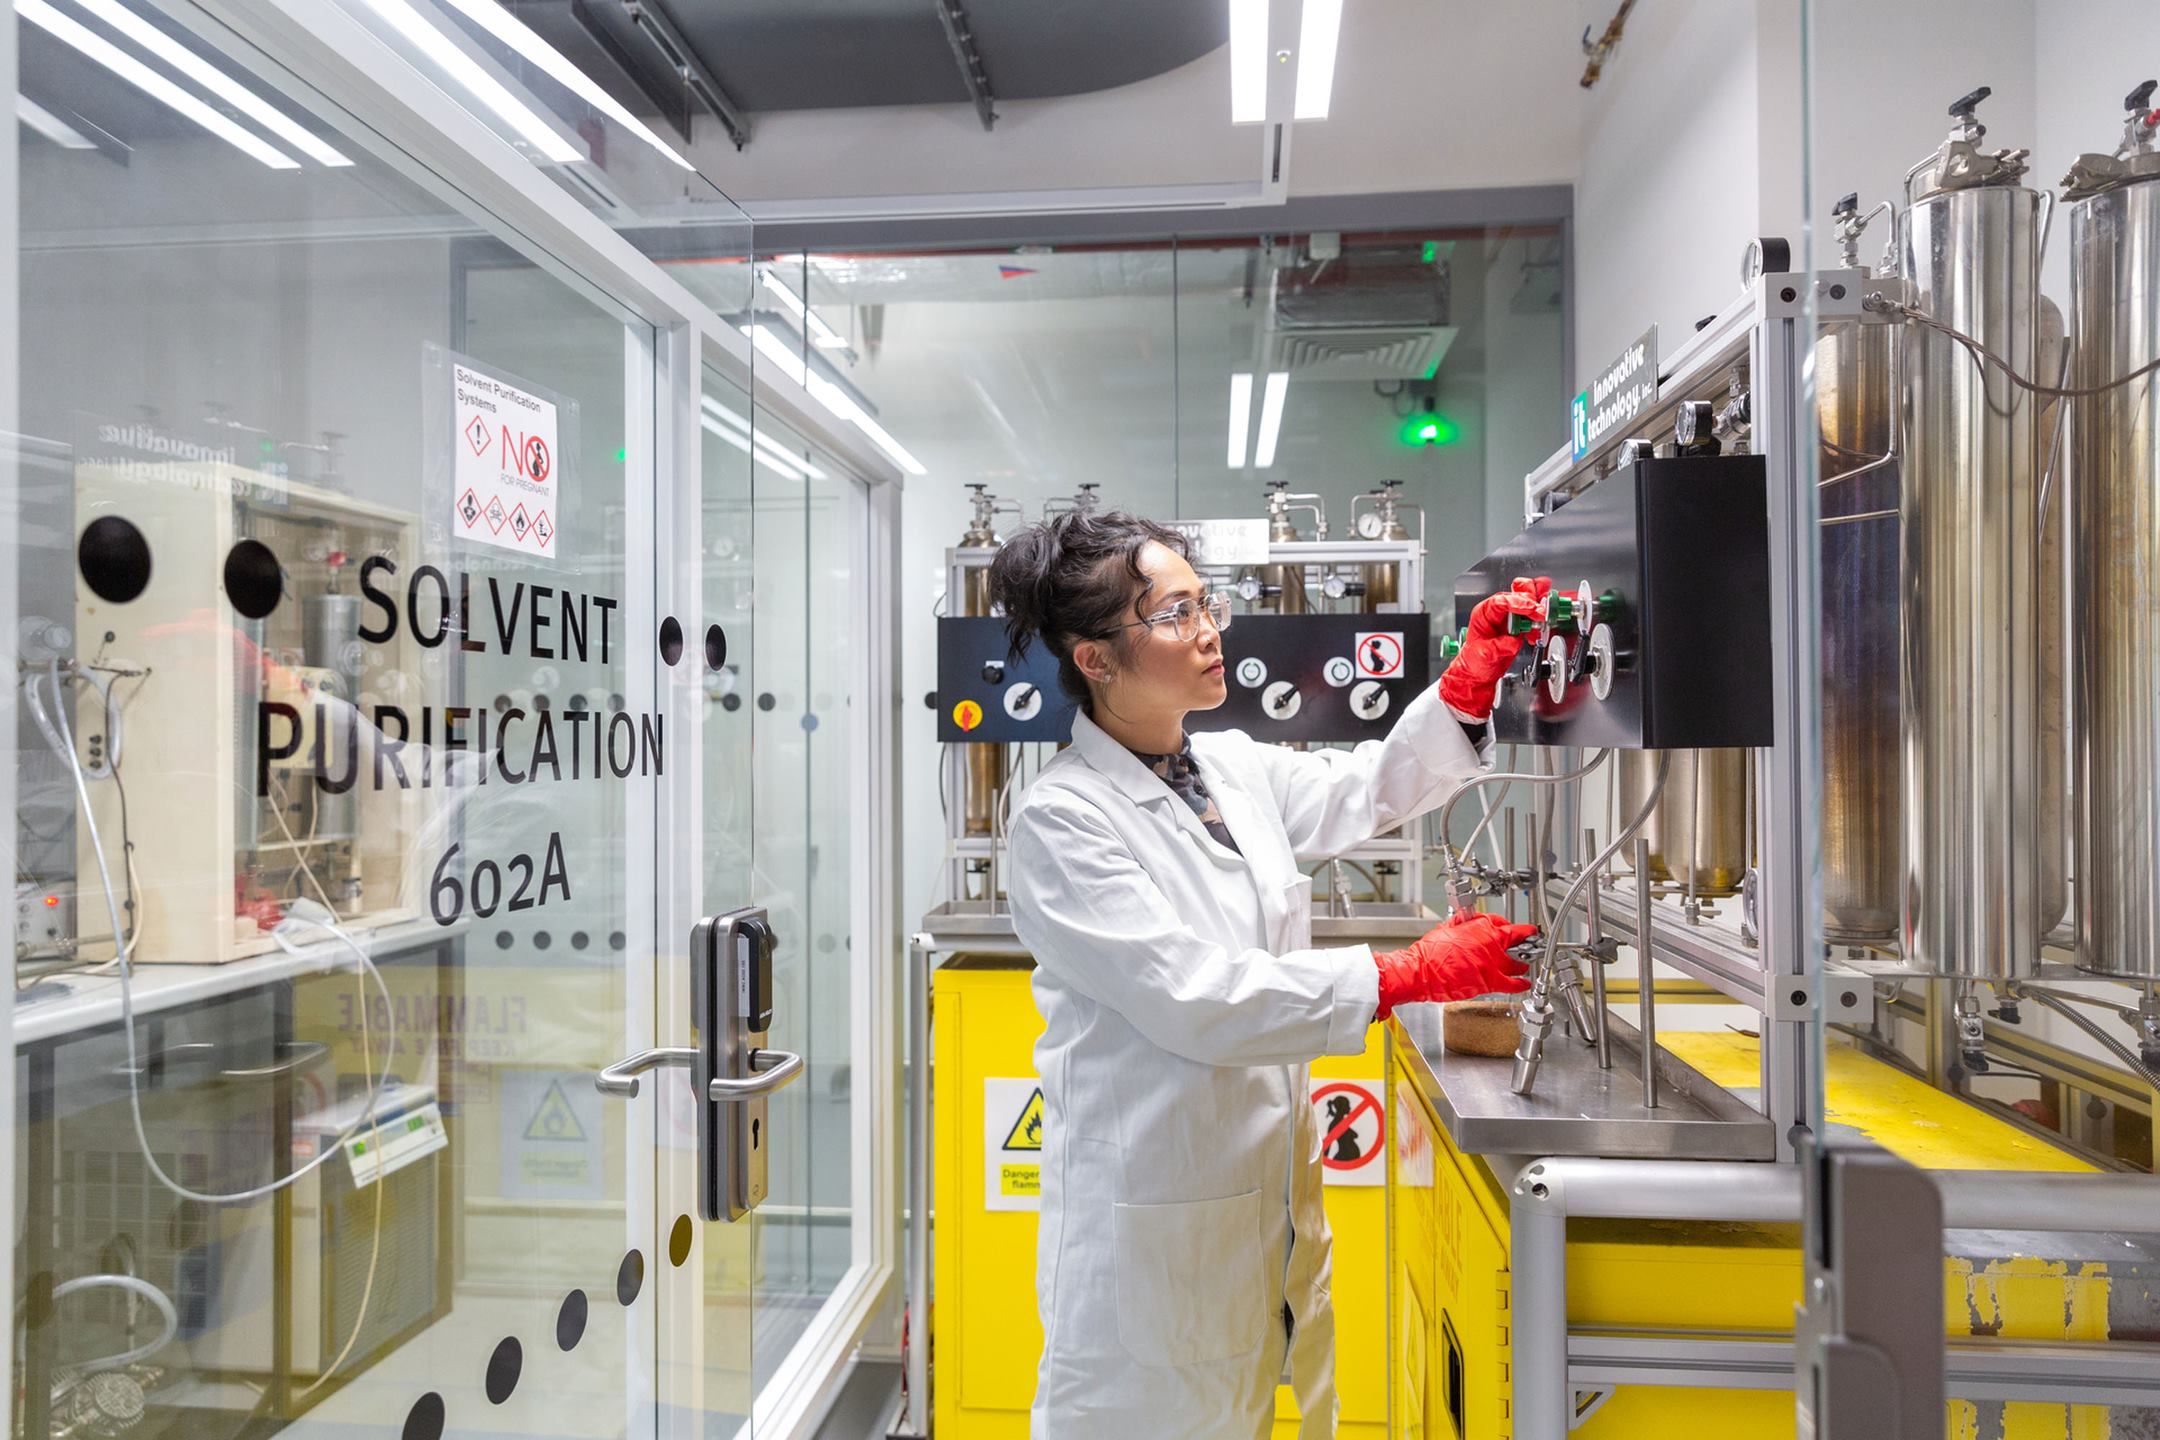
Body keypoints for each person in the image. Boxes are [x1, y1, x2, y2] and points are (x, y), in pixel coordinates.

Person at [987, 509, 1546, 1440]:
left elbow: (1365, 790)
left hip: (1262, 1207)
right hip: (1156, 1234)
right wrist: (1403, 974)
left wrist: (1463, 691)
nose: (1209, 630)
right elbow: (1197, 997)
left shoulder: (1228, 768)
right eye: (1173, 614)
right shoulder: (1063, 822)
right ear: (1095, 658)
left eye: (1206, 603)